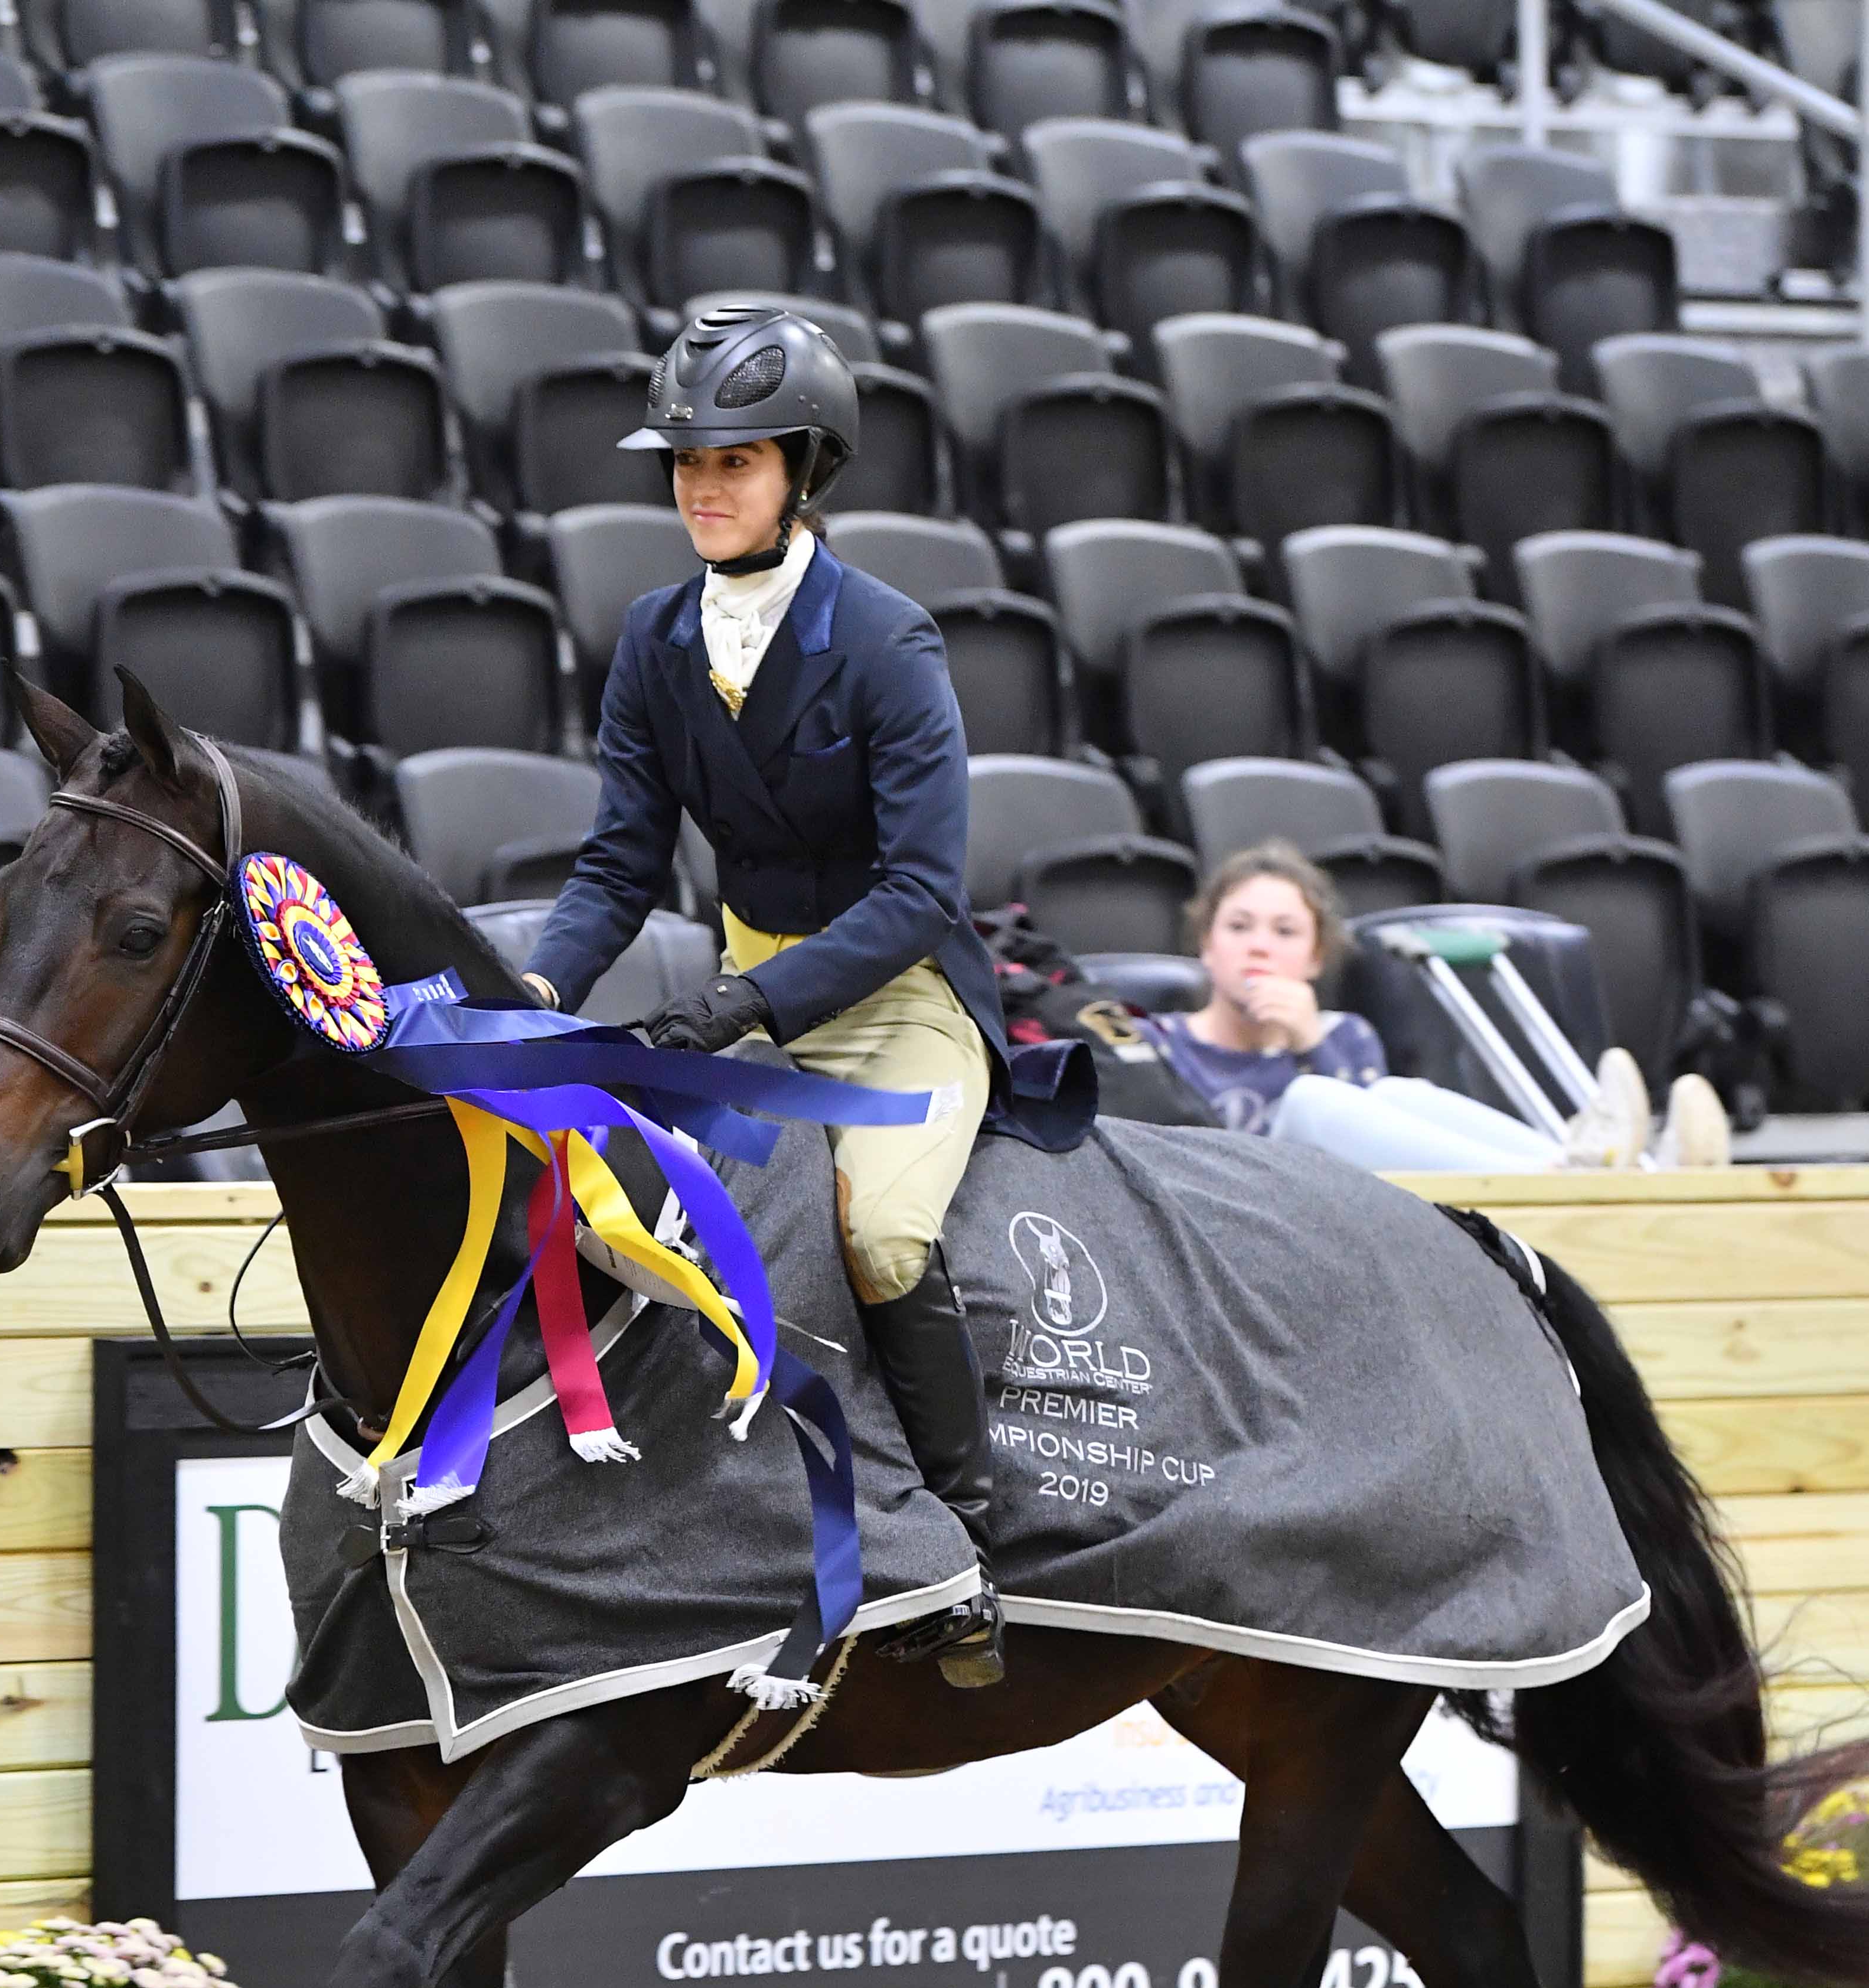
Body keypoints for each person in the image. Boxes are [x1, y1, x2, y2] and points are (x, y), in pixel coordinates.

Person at [518, 307, 1090, 1687]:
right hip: (750, 987)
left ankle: (969, 1542)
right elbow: (618, 862)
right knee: (660, 1232)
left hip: (892, 994)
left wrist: (748, 1004)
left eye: (738, 460)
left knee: (883, 1239)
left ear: (804, 471)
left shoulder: (888, 641)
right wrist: (534, 988)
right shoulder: (656, 640)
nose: (704, 487)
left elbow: (917, 892)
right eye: (687, 464)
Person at [1152, 843, 1733, 1173]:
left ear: (1314, 957)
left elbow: (1370, 1153)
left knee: (1398, 1096)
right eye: (1238, 926)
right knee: (1312, 1098)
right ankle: (1555, 1181)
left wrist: (1311, 1042)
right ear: (1206, 945)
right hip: (1235, 1213)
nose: (1259, 945)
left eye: (1284, 931)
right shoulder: (1155, 1042)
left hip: (1341, 1213)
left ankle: (1630, 1175)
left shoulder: (1341, 1035)